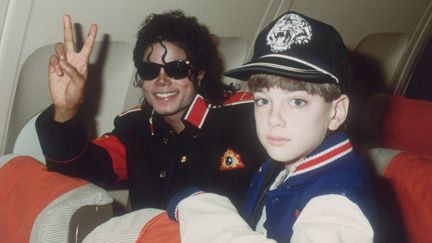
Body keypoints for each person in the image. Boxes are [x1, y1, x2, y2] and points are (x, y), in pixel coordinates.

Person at [165, 11, 377, 243]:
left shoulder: (338, 198)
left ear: (336, 112)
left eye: (297, 102)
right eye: (263, 101)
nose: (274, 119)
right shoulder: (277, 165)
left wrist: (200, 205)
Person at [35, 10, 266, 211]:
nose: (162, 80)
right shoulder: (136, 129)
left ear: (200, 73)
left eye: (176, 69)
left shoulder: (248, 117)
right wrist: (66, 108)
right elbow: (76, 169)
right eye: (149, 70)